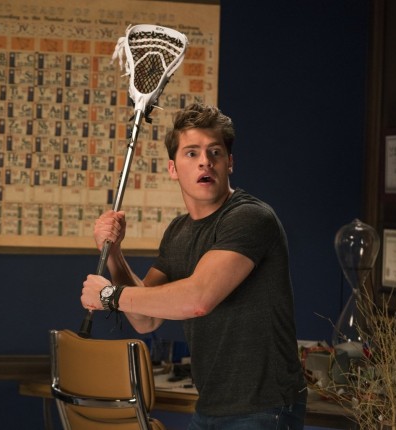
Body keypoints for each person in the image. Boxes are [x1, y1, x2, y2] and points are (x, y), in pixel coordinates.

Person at [81, 102, 307, 429]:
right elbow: (146, 319)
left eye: (215, 152)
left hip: (263, 408)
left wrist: (109, 296)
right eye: (191, 153)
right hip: (210, 407)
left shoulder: (250, 217)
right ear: (173, 169)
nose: (205, 161)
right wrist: (115, 253)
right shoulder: (178, 231)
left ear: (230, 163)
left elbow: (198, 299)